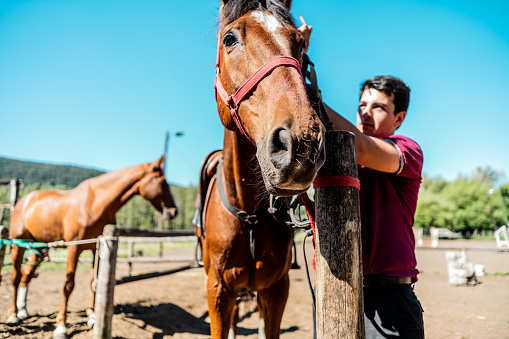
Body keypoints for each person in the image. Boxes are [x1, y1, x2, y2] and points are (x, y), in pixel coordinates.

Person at [299, 17, 425, 339]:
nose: (365, 112)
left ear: (399, 118)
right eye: (361, 105)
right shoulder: (340, 152)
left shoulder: (407, 150)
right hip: (337, 289)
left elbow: (362, 146)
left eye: (378, 107)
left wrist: (304, 88)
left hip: (390, 301)